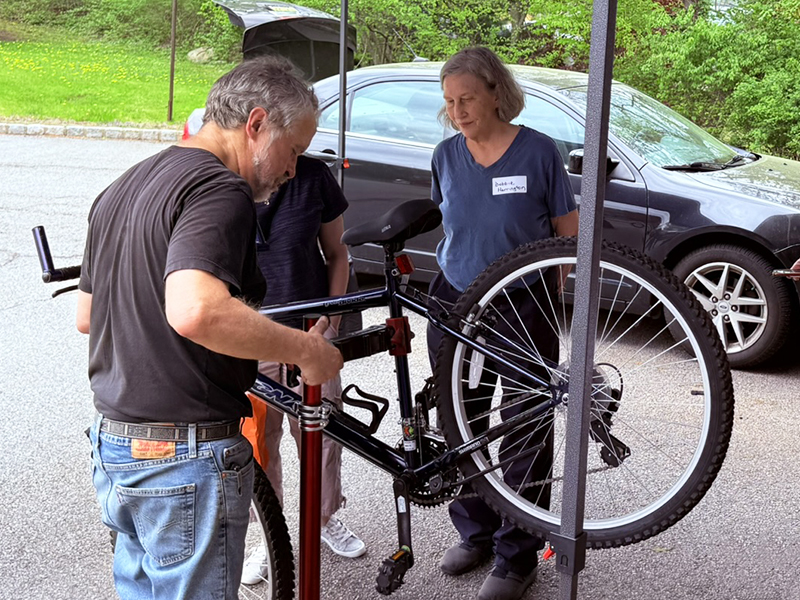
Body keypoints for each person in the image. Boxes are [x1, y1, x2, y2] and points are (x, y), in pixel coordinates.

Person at [76, 56, 343, 600]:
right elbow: (197, 310)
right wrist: (306, 349)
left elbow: (87, 316)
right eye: (294, 150)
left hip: (116, 444)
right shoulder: (220, 190)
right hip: (184, 454)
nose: (294, 169)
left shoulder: (125, 185)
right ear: (256, 123)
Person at [426, 47, 579, 600]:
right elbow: (451, 221)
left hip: (522, 302)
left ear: (496, 93)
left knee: (524, 423)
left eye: (467, 98)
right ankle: (475, 528)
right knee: (459, 418)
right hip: (456, 299)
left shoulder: (538, 152)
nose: (458, 111)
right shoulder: (446, 155)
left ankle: (518, 554)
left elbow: (568, 231)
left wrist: (554, 294)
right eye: (450, 102)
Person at [240, 155, 366, 586]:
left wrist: (329, 322)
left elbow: (338, 254)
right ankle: (269, 534)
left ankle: (324, 516)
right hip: (249, 336)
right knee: (259, 442)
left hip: (309, 330)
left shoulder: (312, 176)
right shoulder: (227, 177)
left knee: (322, 434)